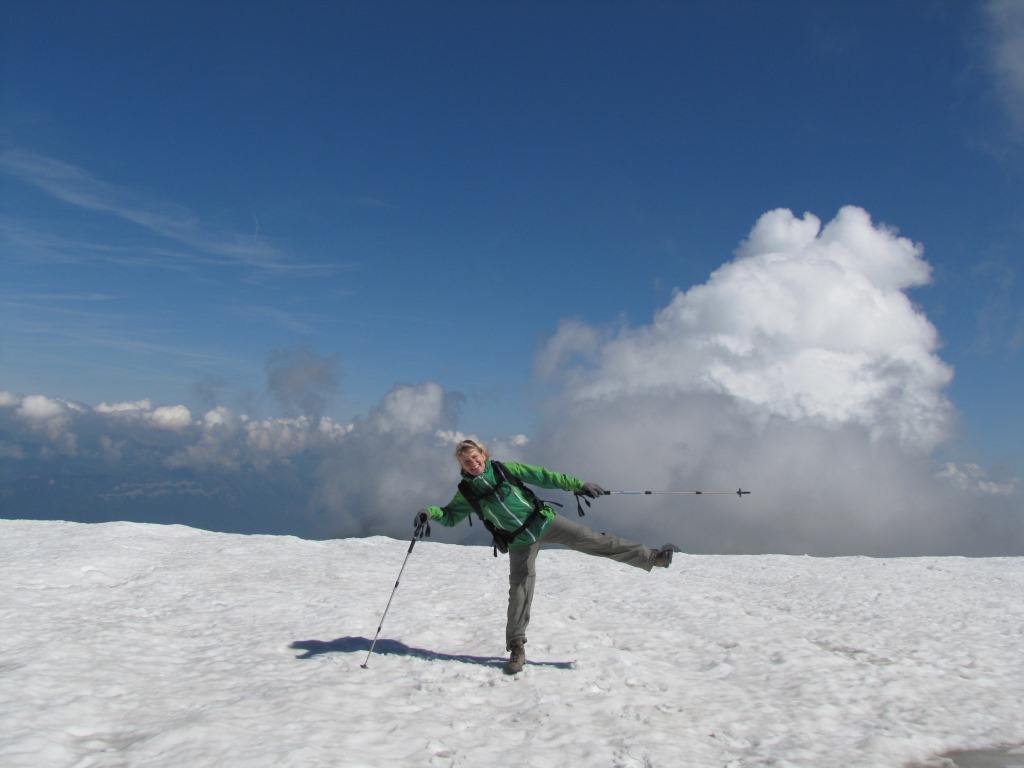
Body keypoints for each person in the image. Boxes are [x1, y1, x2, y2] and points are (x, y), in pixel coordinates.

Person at [414, 439, 676, 675]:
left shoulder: (505, 470)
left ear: (484, 455)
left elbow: (543, 476)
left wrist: (578, 485)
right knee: (519, 591)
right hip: (519, 540)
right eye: (466, 461)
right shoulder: (467, 492)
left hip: (544, 521)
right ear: (461, 465)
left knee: (596, 540)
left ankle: (653, 558)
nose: (472, 464)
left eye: (474, 457)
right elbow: (450, 516)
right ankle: (517, 648)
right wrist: (430, 513)